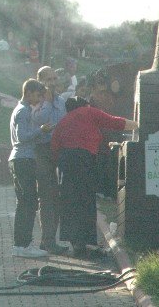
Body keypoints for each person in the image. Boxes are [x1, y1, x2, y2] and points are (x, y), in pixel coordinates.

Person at [50, 96, 138, 258]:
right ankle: (85, 242)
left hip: (65, 163)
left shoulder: (63, 121)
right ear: (85, 105)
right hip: (84, 160)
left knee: (70, 201)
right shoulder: (88, 111)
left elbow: (54, 146)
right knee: (86, 200)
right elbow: (114, 122)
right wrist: (137, 124)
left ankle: (75, 242)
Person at [8, 78, 50, 258]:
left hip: (18, 159)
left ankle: (20, 244)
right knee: (30, 202)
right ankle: (25, 244)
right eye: (38, 95)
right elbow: (22, 136)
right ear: (29, 92)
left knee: (23, 203)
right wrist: (42, 130)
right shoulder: (24, 111)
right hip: (24, 159)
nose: (40, 99)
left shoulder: (19, 110)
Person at [31, 65, 65, 254]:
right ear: (40, 81)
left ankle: (52, 239)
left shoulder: (61, 101)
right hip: (42, 151)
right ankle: (47, 241)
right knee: (46, 196)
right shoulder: (37, 102)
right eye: (48, 80)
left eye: (54, 79)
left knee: (57, 196)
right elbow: (38, 121)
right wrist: (47, 101)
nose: (52, 83)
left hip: (58, 151)